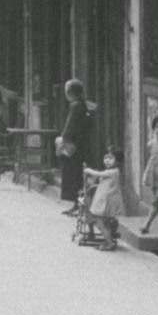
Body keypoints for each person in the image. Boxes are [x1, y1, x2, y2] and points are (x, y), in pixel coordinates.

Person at [58, 79, 91, 217]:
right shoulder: (81, 105)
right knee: (77, 174)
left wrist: (63, 140)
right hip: (80, 144)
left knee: (73, 174)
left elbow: (69, 127)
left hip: (74, 145)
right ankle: (77, 204)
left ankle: (77, 204)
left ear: (70, 92)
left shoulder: (75, 106)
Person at [82, 148, 124, 251]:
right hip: (104, 198)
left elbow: (98, 174)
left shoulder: (114, 171)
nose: (107, 160)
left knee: (99, 220)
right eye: (106, 158)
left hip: (107, 200)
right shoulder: (110, 171)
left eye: (111, 158)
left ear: (117, 161)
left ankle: (109, 242)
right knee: (102, 220)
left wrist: (88, 170)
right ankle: (108, 239)